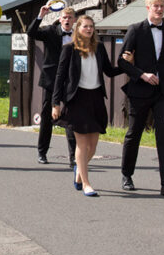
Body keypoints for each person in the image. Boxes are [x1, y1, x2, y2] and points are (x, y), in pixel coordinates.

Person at [117, 0, 164, 196]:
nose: (159, 9)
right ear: (148, 8)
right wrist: (142, 75)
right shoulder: (135, 30)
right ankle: (127, 175)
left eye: (162, 6)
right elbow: (122, 62)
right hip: (139, 91)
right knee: (133, 134)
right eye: (156, 6)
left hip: (163, 92)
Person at [52, 15, 123, 197]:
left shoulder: (99, 48)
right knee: (82, 145)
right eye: (85, 26)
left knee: (92, 147)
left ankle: (79, 172)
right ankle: (86, 183)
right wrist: (55, 103)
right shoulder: (69, 49)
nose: (89, 29)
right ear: (78, 29)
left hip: (96, 98)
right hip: (77, 99)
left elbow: (109, 71)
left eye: (91, 26)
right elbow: (60, 77)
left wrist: (126, 64)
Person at [27, 5, 77, 166]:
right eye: (64, 17)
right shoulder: (51, 31)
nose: (67, 20)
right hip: (51, 80)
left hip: (70, 81)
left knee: (71, 118)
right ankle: (42, 152)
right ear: (60, 19)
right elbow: (31, 33)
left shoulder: (78, 35)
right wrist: (40, 15)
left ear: (74, 20)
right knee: (47, 116)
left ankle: (73, 157)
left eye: (70, 18)